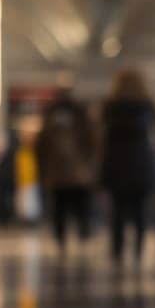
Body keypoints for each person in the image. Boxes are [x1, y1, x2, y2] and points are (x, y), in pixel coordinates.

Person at [99, 69, 155, 267]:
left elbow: (103, 139)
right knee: (140, 212)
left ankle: (117, 252)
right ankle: (138, 251)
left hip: (116, 166)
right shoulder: (148, 107)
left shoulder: (109, 108)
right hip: (141, 166)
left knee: (117, 212)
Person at [35, 90, 96, 253]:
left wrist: (43, 170)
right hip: (79, 173)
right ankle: (83, 236)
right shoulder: (82, 119)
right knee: (81, 207)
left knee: (59, 208)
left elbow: (40, 148)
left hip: (56, 174)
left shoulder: (50, 120)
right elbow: (92, 144)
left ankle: (60, 240)